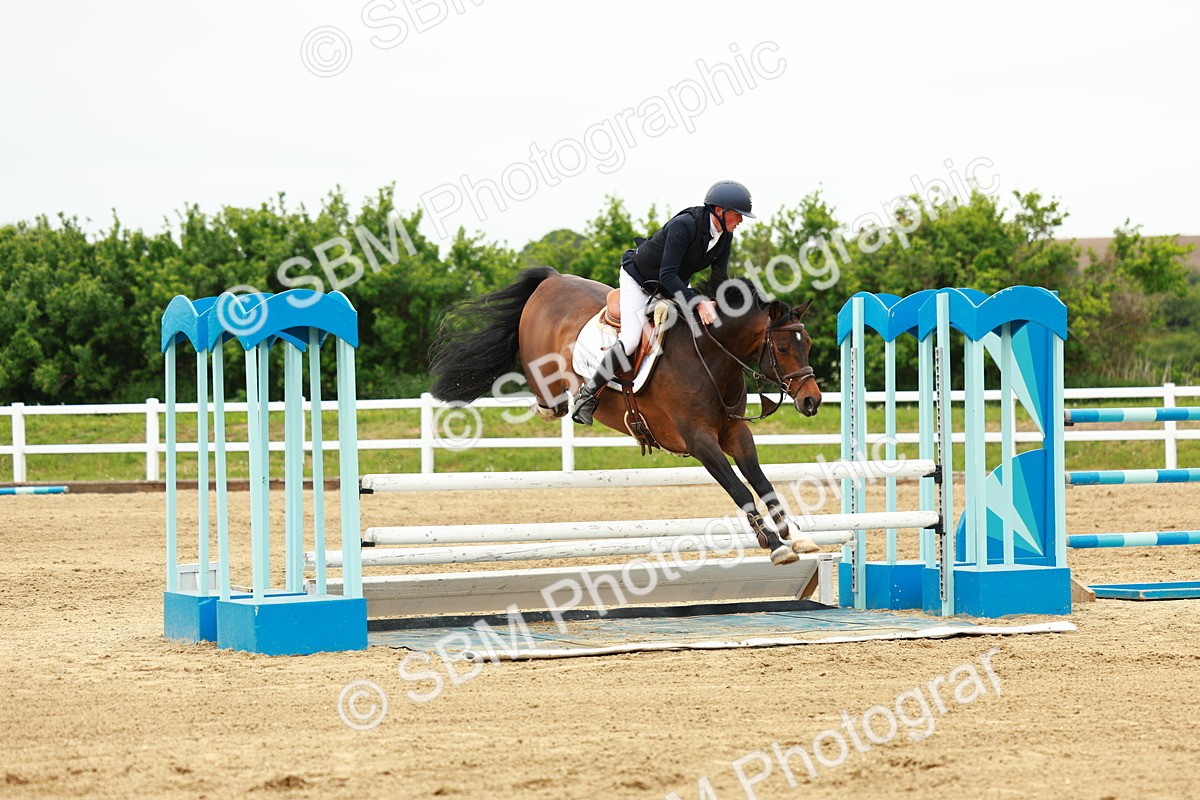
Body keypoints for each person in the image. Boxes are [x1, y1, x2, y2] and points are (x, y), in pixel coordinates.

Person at [571, 180, 755, 425]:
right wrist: (697, 302)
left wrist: (719, 303)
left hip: (673, 283)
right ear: (719, 211)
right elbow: (668, 274)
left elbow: (718, 277)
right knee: (630, 340)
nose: (740, 221)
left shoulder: (724, 236)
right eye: (737, 215)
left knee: (699, 330)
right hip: (640, 280)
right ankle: (588, 395)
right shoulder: (684, 225)